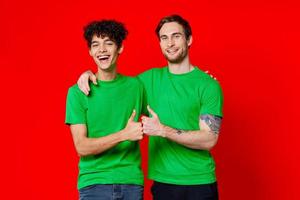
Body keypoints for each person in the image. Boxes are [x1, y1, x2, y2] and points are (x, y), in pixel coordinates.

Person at [77, 15, 223, 200]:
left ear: (189, 39)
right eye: (164, 38)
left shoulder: (208, 85)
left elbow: (209, 139)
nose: (170, 43)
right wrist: (88, 73)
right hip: (163, 184)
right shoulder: (146, 82)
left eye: (176, 36)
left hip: (200, 182)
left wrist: (163, 130)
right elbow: (113, 83)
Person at [65, 20, 145, 200]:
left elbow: (171, 94)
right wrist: (124, 134)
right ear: (90, 51)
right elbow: (82, 147)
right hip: (94, 184)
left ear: (120, 48)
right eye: (96, 45)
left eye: (108, 43)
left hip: (131, 183)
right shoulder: (78, 92)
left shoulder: (137, 86)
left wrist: (203, 80)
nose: (102, 49)